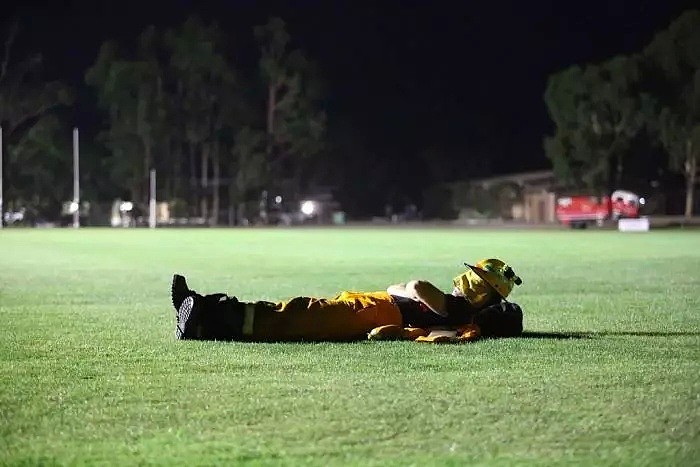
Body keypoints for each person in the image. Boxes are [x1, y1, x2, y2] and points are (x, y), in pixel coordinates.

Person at [171, 258, 524, 343]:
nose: (466, 282)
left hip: (374, 311)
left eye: (475, 281)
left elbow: (416, 287)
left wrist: (402, 330)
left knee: (298, 316)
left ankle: (204, 316)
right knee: (299, 311)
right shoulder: (455, 311)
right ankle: (204, 313)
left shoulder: (460, 316)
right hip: (371, 304)